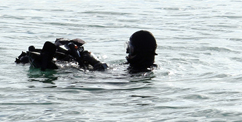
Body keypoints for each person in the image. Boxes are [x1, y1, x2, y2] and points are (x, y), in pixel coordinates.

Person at [15, 31, 157, 73]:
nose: (127, 52)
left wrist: (94, 62)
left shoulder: (139, 72)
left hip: (98, 79)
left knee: (75, 68)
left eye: (130, 48)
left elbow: (112, 79)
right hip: (100, 73)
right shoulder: (138, 68)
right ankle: (51, 60)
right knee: (74, 59)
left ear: (138, 51)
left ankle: (50, 64)